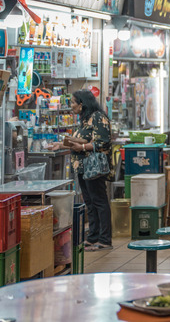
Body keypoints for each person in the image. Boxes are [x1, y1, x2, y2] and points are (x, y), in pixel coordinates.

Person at [50, 89, 113, 251]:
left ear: (82, 104)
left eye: (73, 102)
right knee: (90, 202)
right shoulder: (85, 119)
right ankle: (92, 237)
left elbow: (103, 142)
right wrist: (61, 145)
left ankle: (105, 239)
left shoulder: (99, 117)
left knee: (99, 201)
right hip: (82, 167)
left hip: (94, 167)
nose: (71, 106)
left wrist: (83, 146)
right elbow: (81, 139)